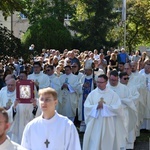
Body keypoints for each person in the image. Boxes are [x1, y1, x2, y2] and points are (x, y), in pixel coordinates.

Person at [83, 74, 126, 150]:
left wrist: (105, 107)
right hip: (95, 123)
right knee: (95, 140)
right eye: (97, 82)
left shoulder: (113, 94)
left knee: (107, 141)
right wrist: (96, 106)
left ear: (106, 82)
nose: (99, 84)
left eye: (101, 82)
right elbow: (86, 106)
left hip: (108, 123)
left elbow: (118, 107)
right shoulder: (92, 94)